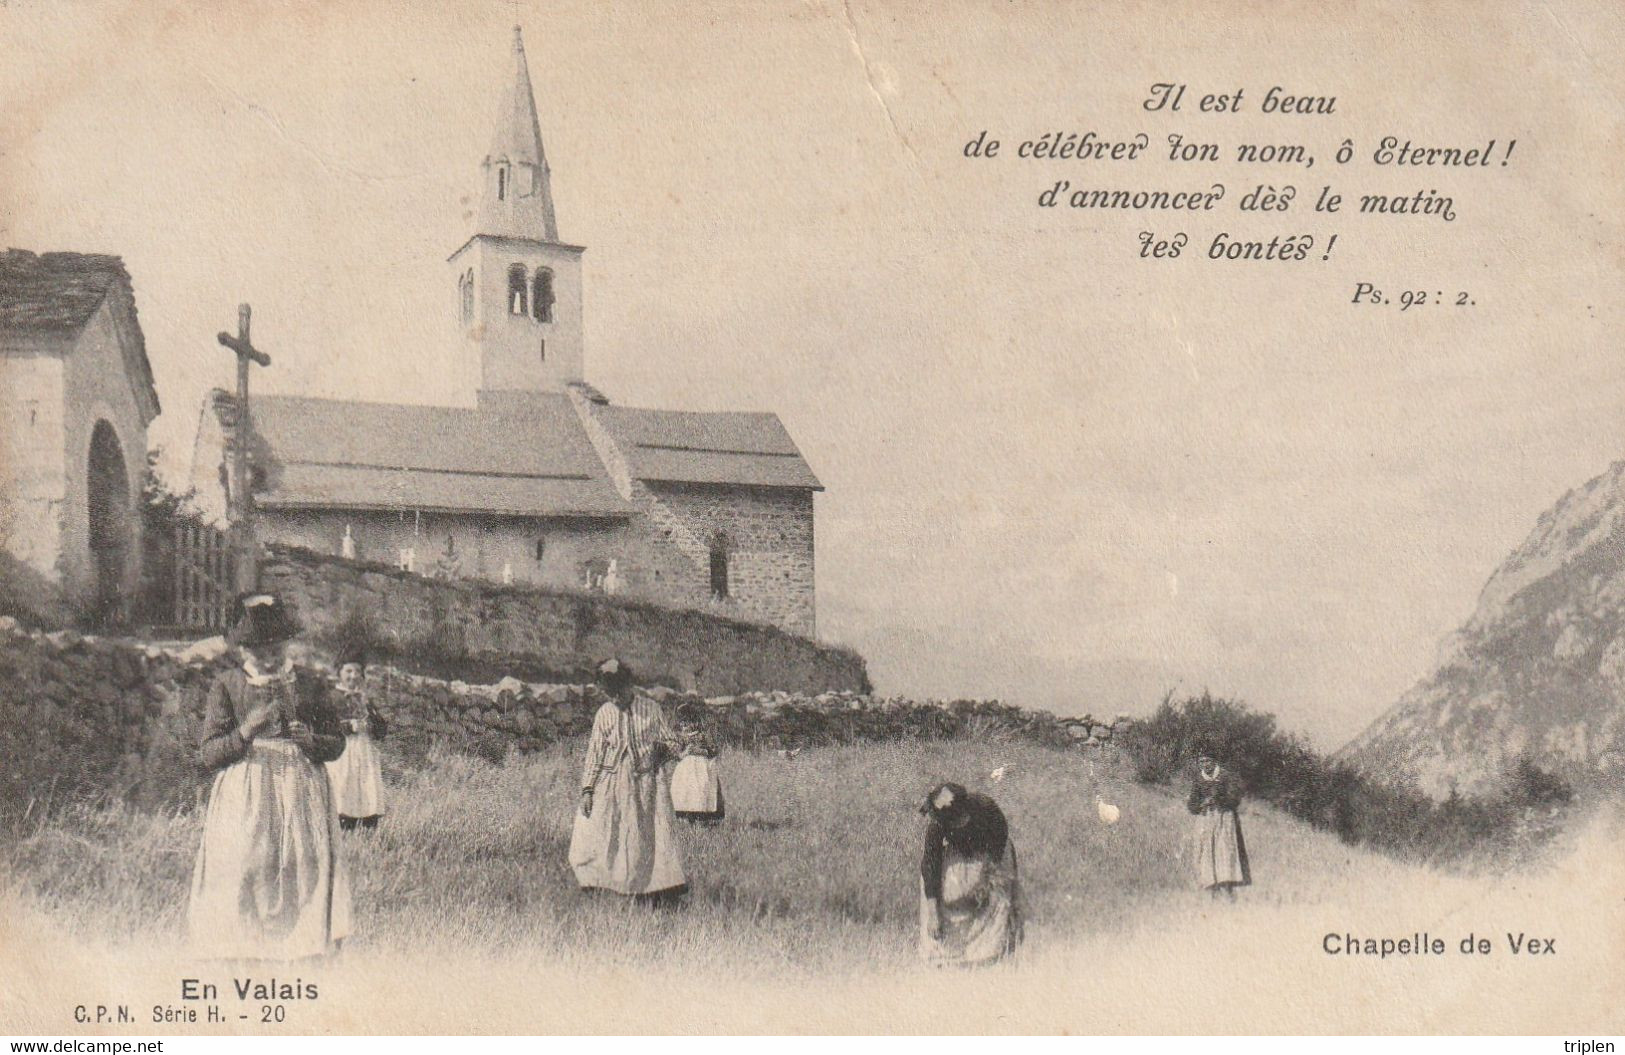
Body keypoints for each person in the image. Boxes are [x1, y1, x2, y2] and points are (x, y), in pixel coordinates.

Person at [188, 594, 351, 959]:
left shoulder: (309, 683)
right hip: (246, 790)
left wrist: (312, 741)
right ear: (243, 649)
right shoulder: (228, 684)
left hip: (301, 786)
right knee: (245, 862)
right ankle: (242, 947)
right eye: (257, 649)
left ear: (286, 643)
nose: (267, 656)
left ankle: (303, 945)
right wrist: (245, 731)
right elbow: (208, 753)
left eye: (274, 646)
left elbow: (337, 744)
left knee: (302, 865)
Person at [567, 659, 687, 904]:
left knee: (648, 835)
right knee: (601, 831)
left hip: (646, 783)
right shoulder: (605, 713)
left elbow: (672, 741)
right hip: (612, 783)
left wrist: (662, 752)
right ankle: (603, 885)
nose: (615, 698)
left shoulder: (651, 709)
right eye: (609, 693)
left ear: (628, 685)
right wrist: (588, 789)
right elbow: (595, 753)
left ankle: (656, 890)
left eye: (618, 692)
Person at [918, 782, 1022, 967]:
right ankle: (944, 954)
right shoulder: (938, 824)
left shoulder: (987, 810)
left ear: (966, 811)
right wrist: (933, 913)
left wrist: (985, 882)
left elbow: (999, 849)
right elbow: (930, 864)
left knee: (996, 899)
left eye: (960, 820)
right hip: (960, 854)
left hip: (991, 855)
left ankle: (990, 953)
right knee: (949, 894)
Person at [325, 645, 387, 832]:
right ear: (339, 672)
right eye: (348, 671)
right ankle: (343, 828)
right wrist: (348, 727)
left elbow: (382, 730)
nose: (353, 676)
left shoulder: (366, 699)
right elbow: (325, 725)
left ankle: (367, 829)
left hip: (364, 752)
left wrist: (372, 724)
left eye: (357, 671)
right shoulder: (331, 697)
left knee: (366, 789)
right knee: (343, 790)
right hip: (341, 752)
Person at [1187, 753, 1252, 897]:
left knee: (1224, 851)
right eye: (1201, 761)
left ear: (1214, 761)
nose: (1205, 764)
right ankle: (1212, 889)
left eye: (1208, 761)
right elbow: (1191, 804)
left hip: (1225, 819)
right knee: (1207, 852)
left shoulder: (1226, 776)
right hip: (1206, 820)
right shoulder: (1199, 779)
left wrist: (1218, 800)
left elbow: (1235, 798)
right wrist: (1201, 804)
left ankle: (1227, 889)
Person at [669, 704, 725, 825]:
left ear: (694, 722)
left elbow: (713, 750)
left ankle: (702, 817)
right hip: (686, 769)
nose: (684, 726)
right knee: (686, 791)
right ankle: (688, 818)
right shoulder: (682, 738)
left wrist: (701, 751)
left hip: (701, 767)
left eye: (687, 722)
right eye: (682, 723)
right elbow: (677, 754)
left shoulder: (703, 736)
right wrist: (685, 753)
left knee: (702, 789)